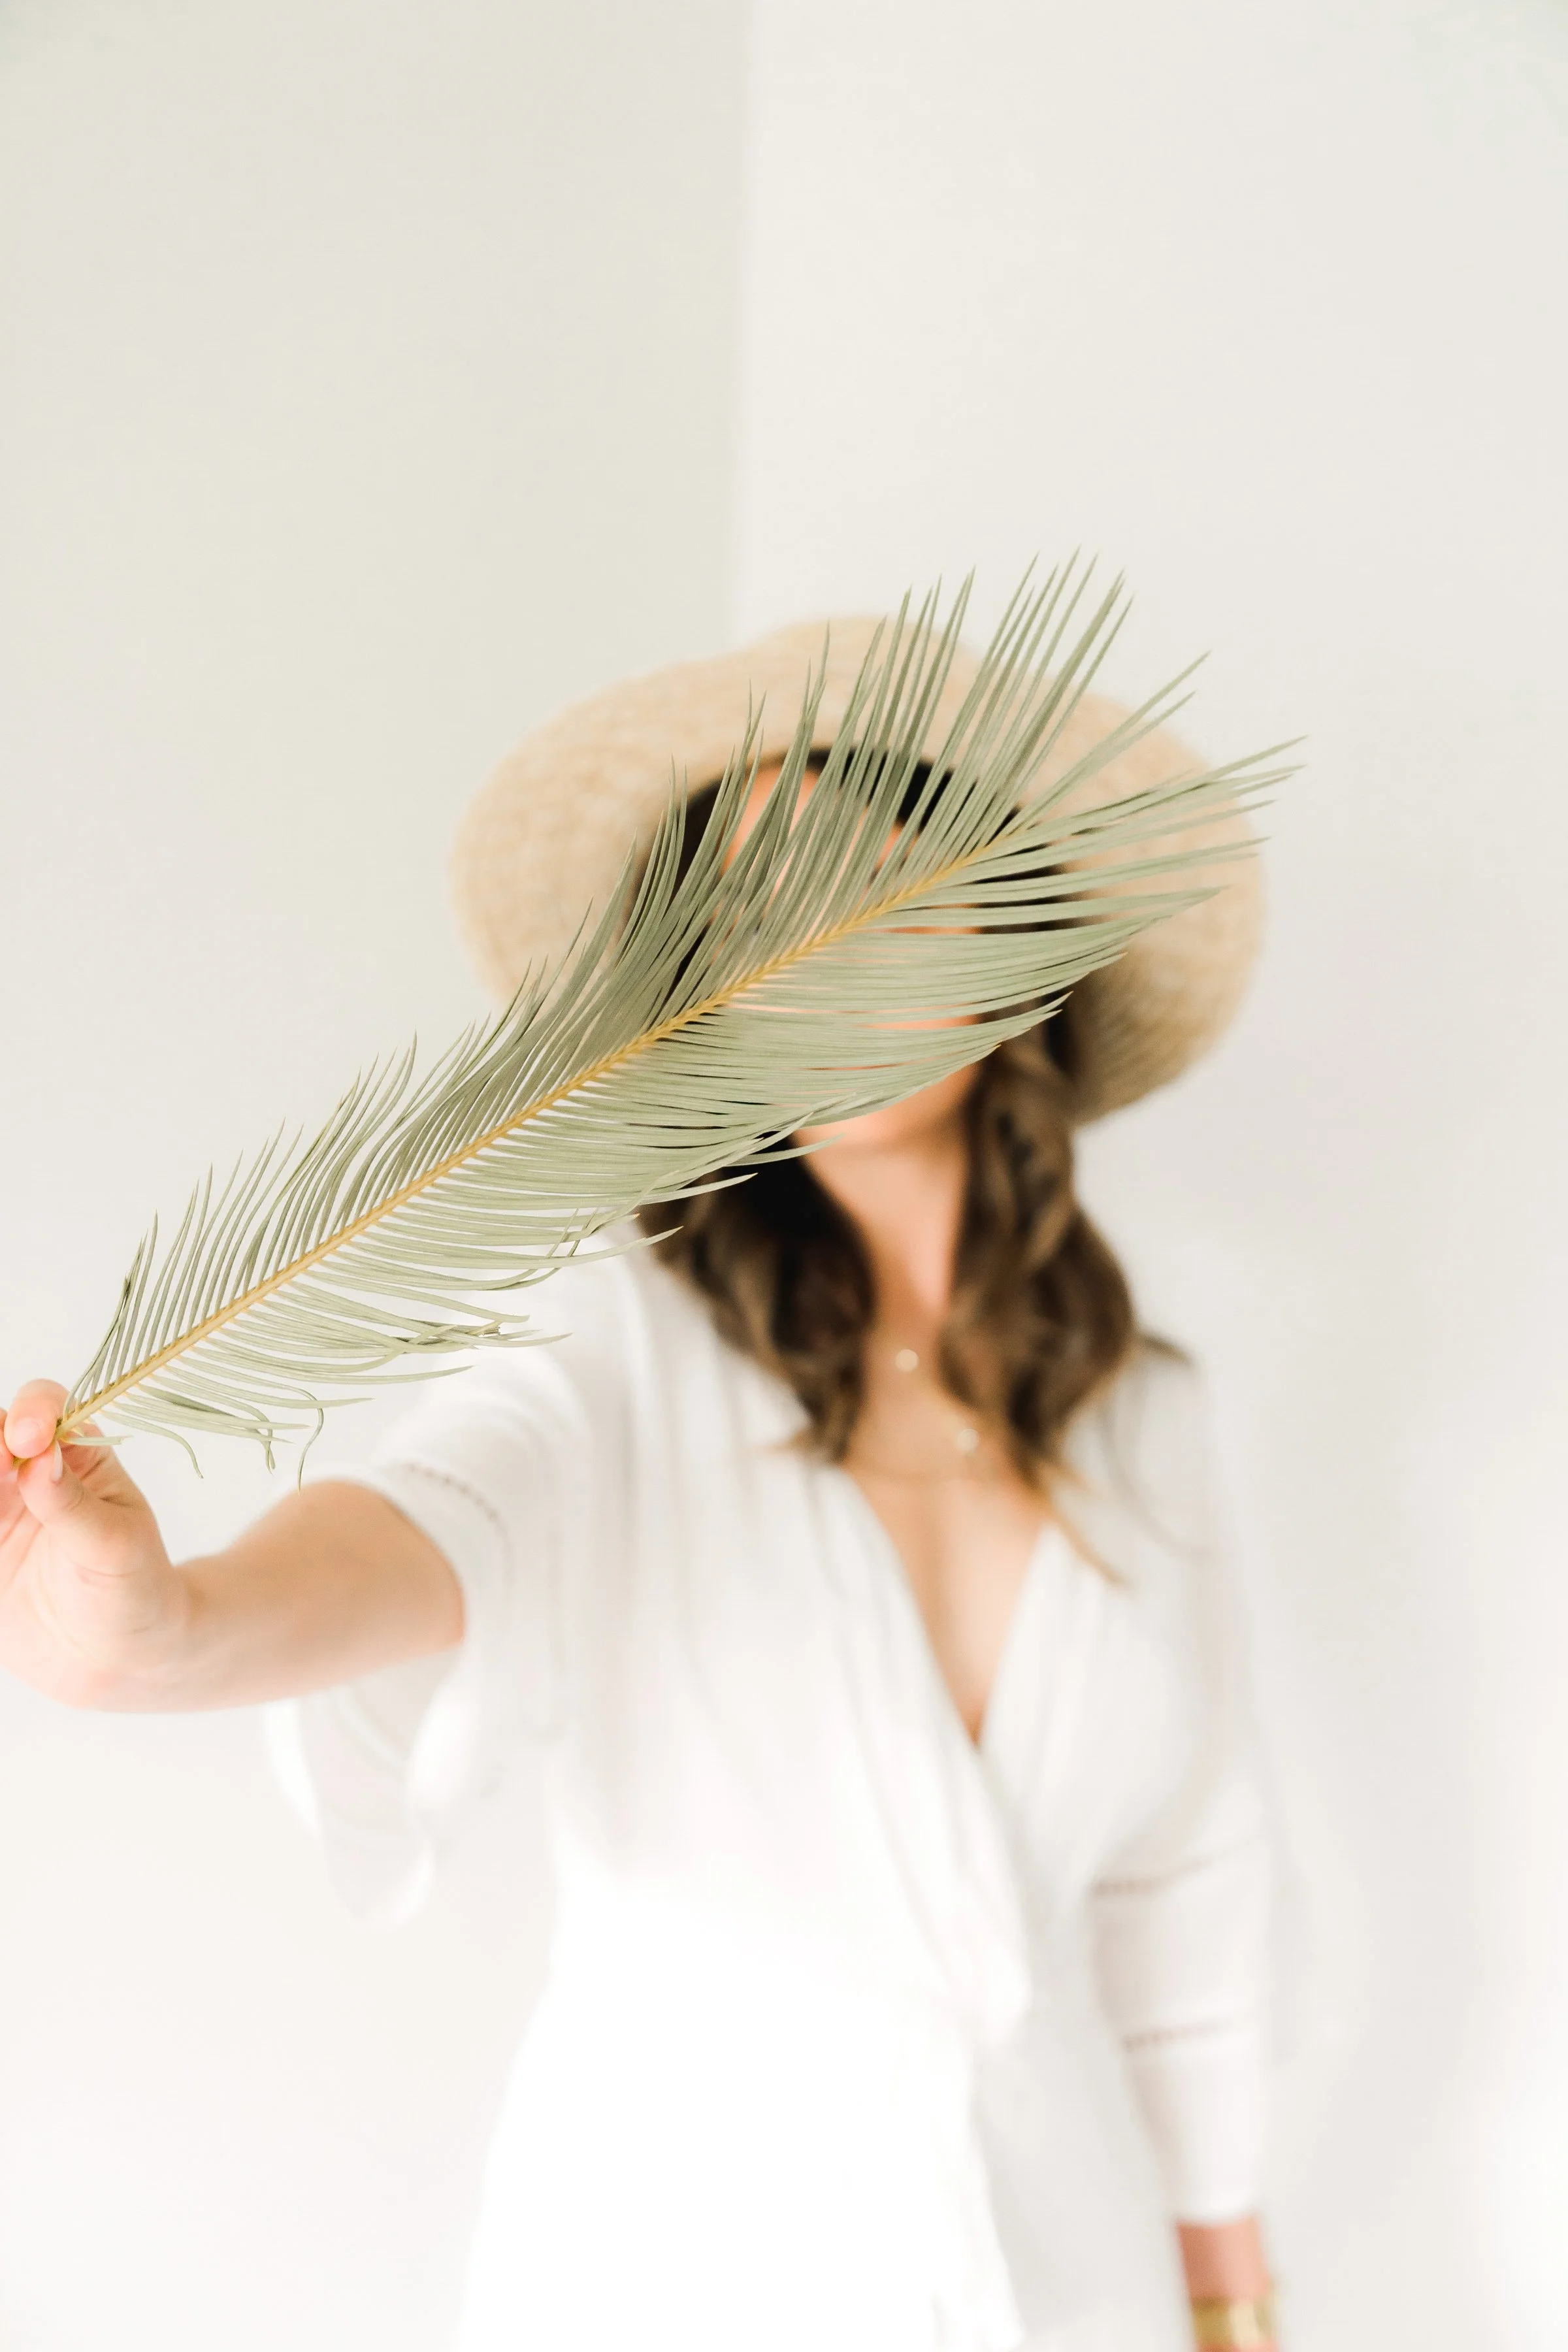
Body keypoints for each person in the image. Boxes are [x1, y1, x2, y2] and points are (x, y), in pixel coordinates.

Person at [0, 619, 1280, 2352]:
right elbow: (447, 1508)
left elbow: (1185, 1888)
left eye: (866, 871)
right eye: (748, 910)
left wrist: (1231, 2301)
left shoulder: (1149, 1420)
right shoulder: (613, 1343)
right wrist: (168, 1628)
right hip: (687, 2263)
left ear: (1010, 937)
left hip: (1069, 2273)